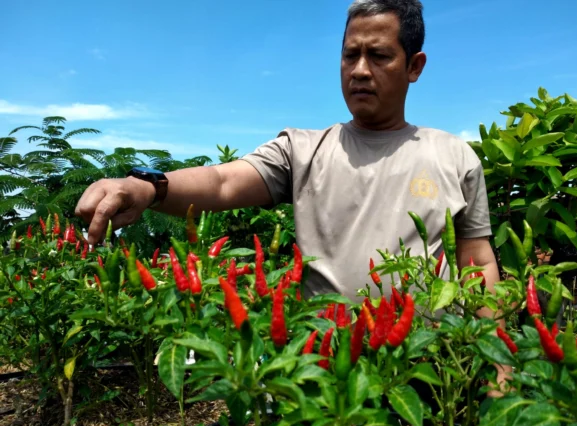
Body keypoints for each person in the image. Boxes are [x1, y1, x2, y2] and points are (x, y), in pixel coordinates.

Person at [76, 0, 500, 308]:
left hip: (435, 380)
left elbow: (476, 262)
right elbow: (223, 182)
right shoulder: (302, 150)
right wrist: (148, 186)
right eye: (350, 55)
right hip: (322, 378)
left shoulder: (454, 156)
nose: (360, 70)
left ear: (415, 66)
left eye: (380, 55)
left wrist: (497, 363)